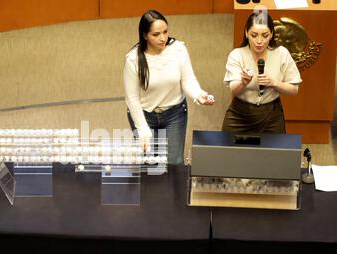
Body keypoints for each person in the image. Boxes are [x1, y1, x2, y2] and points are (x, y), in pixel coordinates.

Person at [124, 9, 214, 165]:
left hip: (175, 114)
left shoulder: (178, 50)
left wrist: (199, 95)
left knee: (174, 163)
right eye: (156, 34)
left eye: (165, 32)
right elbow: (132, 99)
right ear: (145, 35)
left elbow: (188, 80)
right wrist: (143, 130)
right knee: (149, 164)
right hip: (144, 115)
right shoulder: (133, 59)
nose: (163, 38)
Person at [222, 11, 302, 134]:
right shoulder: (237, 55)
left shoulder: (281, 53)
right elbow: (234, 89)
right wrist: (243, 83)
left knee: (276, 152)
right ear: (246, 33)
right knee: (228, 150)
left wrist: (275, 83)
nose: (259, 41)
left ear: (271, 35)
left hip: (271, 114)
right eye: (254, 35)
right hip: (240, 114)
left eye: (265, 35)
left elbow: (294, 90)